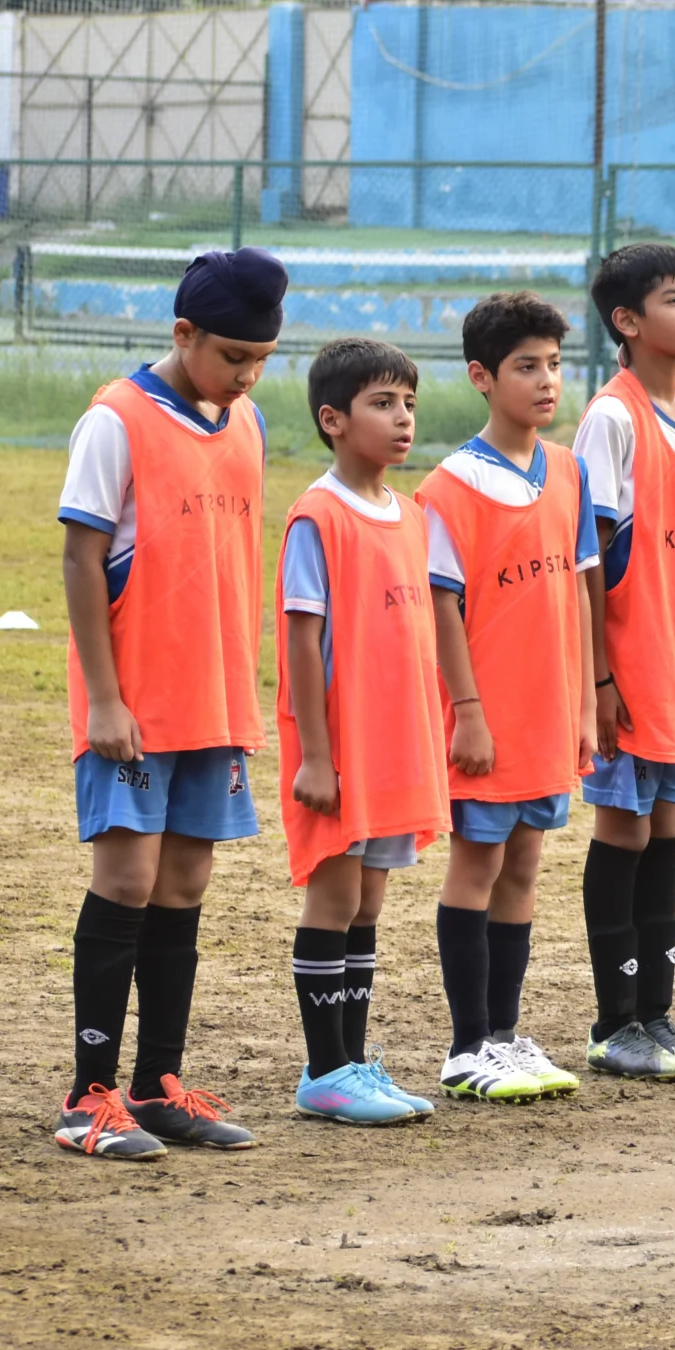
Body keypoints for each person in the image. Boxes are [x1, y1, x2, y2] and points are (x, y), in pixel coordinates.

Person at [56, 246, 287, 1161]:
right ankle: (88, 1097)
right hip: (136, 705)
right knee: (126, 881)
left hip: (217, 700)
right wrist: (104, 700)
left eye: (261, 359)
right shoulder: (115, 420)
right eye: (231, 355)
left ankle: (157, 1085)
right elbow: (80, 559)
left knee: (185, 885)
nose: (245, 374)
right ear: (183, 333)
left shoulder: (248, 422)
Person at [416, 293, 597, 1102]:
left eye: (555, 364)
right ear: (483, 377)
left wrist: (588, 703)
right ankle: (463, 1047)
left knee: (523, 864)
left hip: (550, 710)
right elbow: (442, 608)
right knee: (478, 862)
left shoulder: (566, 469)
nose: (547, 380)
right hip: (487, 716)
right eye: (528, 365)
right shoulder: (448, 488)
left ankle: (502, 1031)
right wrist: (468, 711)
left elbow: (581, 593)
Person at [572, 242, 675, 1080]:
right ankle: (614, 1021)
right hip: (627, 670)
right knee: (624, 830)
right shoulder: (610, 417)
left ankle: (658, 1012)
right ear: (628, 323)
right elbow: (588, 559)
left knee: (666, 833)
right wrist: (598, 676)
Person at [277, 339, 448, 1126]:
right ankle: (325, 1068)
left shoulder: (410, 514)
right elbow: (302, 642)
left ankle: (352, 1060)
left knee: (369, 897)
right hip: (340, 747)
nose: (403, 417)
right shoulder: (318, 514)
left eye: (408, 402)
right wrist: (316, 752)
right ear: (333, 420)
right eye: (383, 403)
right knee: (335, 890)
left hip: (394, 743)